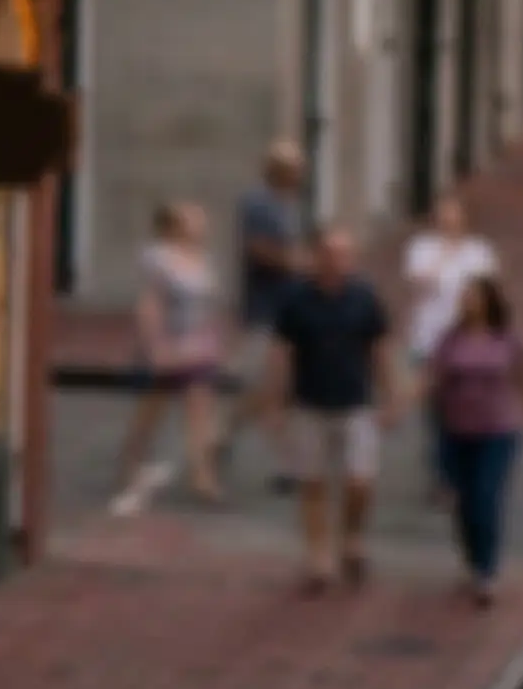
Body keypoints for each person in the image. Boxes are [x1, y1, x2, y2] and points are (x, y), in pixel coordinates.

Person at [266, 226, 399, 592]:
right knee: (313, 483)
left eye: (344, 255)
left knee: (360, 480)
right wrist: (275, 403)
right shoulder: (295, 299)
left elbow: (380, 349)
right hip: (309, 402)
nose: (336, 262)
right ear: (316, 257)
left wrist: (391, 396)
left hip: (356, 401)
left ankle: (352, 536)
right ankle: (318, 556)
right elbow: (281, 353)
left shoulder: (364, 297)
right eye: (329, 254)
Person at [428, 277, 523, 606]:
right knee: (463, 502)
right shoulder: (450, 340)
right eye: (464, 297)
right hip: (456, 429)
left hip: (497, 430)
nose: (468, 303)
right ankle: (471, 560)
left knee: (485, 496)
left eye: (474, 297)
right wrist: (400, 405)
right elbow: (432, 380)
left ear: (488, 302)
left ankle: (487, 570)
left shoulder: (508, 340)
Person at [119, 201, 224, 502]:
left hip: (197, 343)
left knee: (200, 409)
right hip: (168, 343)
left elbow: (208, 305)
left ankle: (202, 474)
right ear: (175, 226)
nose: (201, 225)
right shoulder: (158, 259)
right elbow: (150, 304)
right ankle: (132, 459)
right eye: (192, 220)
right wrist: (154, 345)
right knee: (152, 409)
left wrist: (215, 337)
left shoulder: (204, 259)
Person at [403, 194, 499, 500]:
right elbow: (421, 283)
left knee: (465, 408)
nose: (448, 223)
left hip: (467, 345)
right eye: (443, 217)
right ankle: (442, 476)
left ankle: (461, 470)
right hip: (430, 341)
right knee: (436, 411)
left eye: (454, 217)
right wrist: (444, 253)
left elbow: (489, 295)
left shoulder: (480, 252)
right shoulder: (422, 249)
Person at [230, 141, 311, 489]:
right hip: (265, 308)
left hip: (289, 308)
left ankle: (287, 464)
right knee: (266, 387)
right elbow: (257, 250)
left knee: (280, 389)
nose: (299, 175)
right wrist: (297, 262)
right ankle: (285, 463)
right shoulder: (258, 202)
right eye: (294, 168)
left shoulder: (289, 205)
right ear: (276, 168)